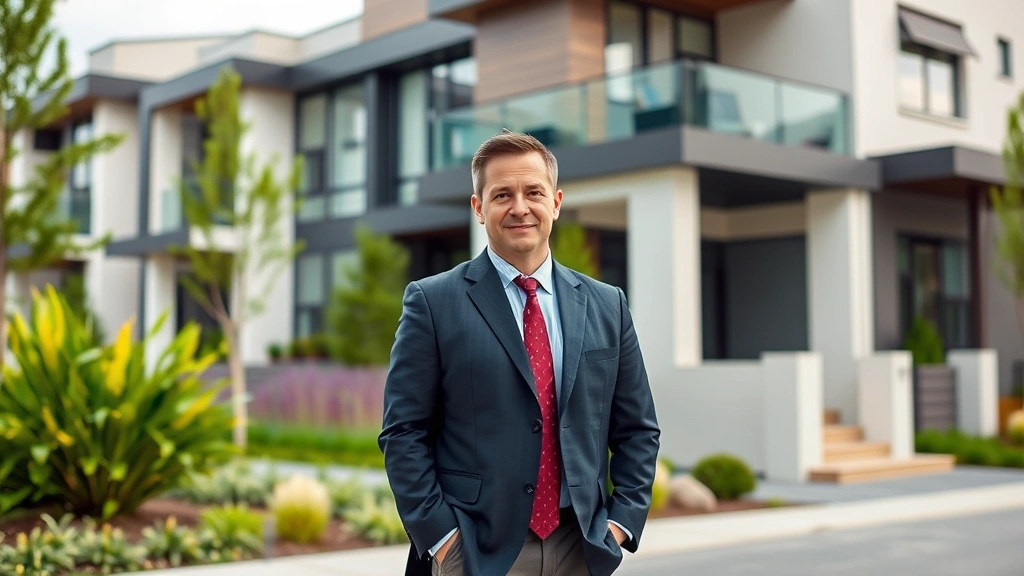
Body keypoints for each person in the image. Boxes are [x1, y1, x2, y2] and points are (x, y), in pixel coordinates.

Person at [379, 130, 661, 576]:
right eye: (501, 194)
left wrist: (621, 522)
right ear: (478, 208)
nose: (519, 207)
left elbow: (638, 429)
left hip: (579, 545)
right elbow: (403, 432)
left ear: (556, 202)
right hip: (475, 549)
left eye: (533, 192)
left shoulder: (608, 305)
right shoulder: (433, 302)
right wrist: (442, 540)